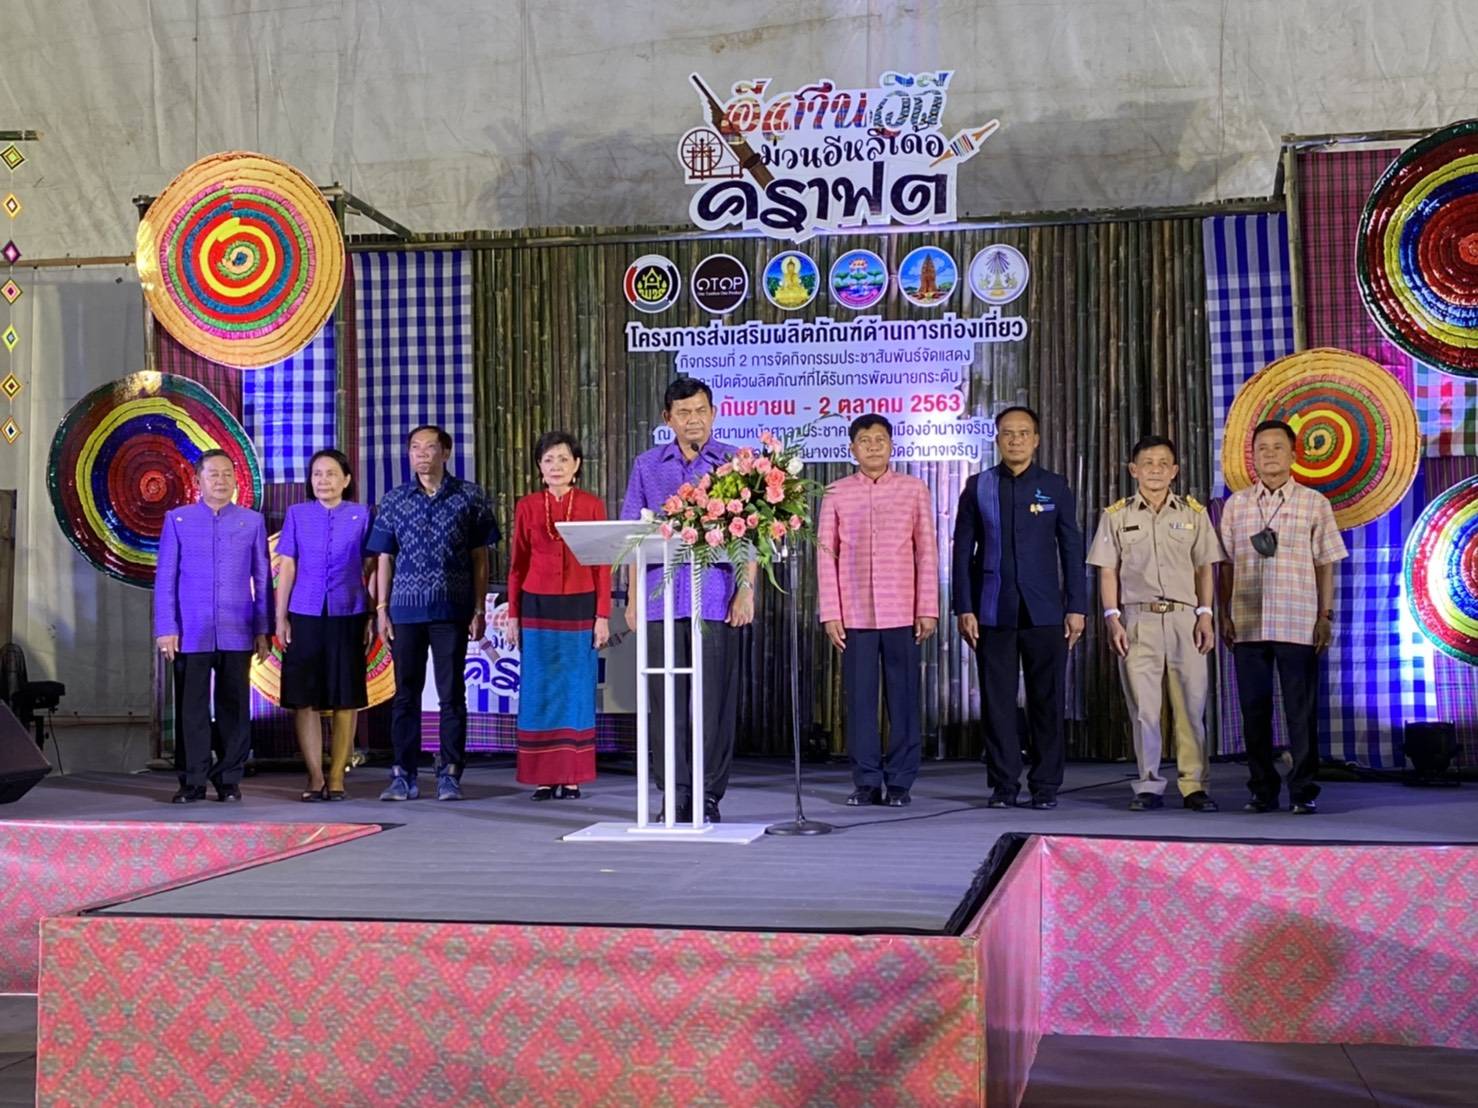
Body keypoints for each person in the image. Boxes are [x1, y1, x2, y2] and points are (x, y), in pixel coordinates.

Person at [620, 376, 757, 824]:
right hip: (662, 601)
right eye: (684, 413)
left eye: (700, 411)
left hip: (716, 598)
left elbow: (754, 534)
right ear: (668, 418)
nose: (693, 419)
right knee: (666, 701)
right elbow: (629, 538)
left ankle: (708, 793)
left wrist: (747, 589)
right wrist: (633, 600)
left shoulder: (736, 463)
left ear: (713, 414)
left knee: (712, 699)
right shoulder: (647, 465)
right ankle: (673, 793)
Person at [952, 405, 1086, 810]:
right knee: (997, 704)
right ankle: (1004, 786)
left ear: (1036, 439)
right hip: (993, 612)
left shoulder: (1055, 486)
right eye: (1007, 433)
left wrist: (1076, 606)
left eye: (1023, 433)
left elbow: (1071, 548)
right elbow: (961, 554)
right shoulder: (979, 487)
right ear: (997, 438)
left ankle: (1045, 787)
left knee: (1047, 702)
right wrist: (965, 607)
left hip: (1046, 613)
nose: (1015, 439)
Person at [1086, 435, 1223, 812]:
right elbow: (1108, 571)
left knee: (1191, 705)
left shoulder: (1193, 514)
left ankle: (1194, 785)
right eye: (1148, 463)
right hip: (1138, 619)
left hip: (1184, 619)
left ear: (1175, 471)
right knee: (1144, 708)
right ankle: (1148, 784)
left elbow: (1204, 568)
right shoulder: (1116, 516)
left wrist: (1206, 614)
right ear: (1134, 470)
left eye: (1164, 463)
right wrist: (1113, 618)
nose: (1156, 470)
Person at [1218, 418, 1347, 815]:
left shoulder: (1313, 502)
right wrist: (1224, 612)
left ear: (1294, 454)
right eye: (1262, 448)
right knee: (1254, 710)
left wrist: (1324, 614)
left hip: (1297, 619)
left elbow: (1326, 563)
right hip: (1247, 621)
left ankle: (1303, 790)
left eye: (1277, 447)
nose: (1269, 454)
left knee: (1300, 710)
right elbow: (1224, 564)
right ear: (1252, 456)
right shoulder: (1236, 504)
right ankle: (1262, 789)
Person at [367, 425, 499, 802]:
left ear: (446, 452)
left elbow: (480, 557)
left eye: (429, 447)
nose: (421, 454)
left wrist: (478, 608)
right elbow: (384, 557)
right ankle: (402, 774)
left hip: (451, 608)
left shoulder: (470, 497)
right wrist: (382, 608)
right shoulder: (394, 500)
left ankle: (450, 773)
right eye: (414, 448)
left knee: (451, 694)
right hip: (405, 611)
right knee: (405, 695)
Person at [817, 414, 938, 808]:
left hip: (903, 610)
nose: (873, 446)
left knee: (903, 701)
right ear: (852, 449)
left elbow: (927, 551)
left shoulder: (914, 490)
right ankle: (866, 781)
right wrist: (831, 613)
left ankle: (901, 783)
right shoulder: (836, 492)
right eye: (865, 440)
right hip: (854, 614)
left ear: (891, 446)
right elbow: (825, 555)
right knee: (861, 702)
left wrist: (928, 608)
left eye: (880, 439)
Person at [154, 449, 271, 803]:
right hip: (191, 630)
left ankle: (229, 779)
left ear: (236, 480)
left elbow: (262, 579)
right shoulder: (179, 520)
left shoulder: (251, 521)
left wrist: (262, 629)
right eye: (213, 474)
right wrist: (166, 627)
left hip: (238, 627)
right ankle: (192, 780)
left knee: (234, 707)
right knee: (191, 708)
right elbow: (165, 579)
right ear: (198, 480)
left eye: (226, 474)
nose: (221, 481)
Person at [506, 431, 612, 800]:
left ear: (577, 465)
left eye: (563, 459)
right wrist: (513, 615)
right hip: (536, 604)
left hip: (581, 604)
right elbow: (517, 565)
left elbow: (602, 566)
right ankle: (543, 775)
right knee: (539, 688)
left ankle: (571, 775)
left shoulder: (592, 505)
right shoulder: (527, 506)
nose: (556, 466)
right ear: (539, 466)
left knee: (577, 687)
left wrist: (602, 614)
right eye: (548, 459)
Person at [274, 449, 374, 802]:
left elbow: (372, 567)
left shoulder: (362, 515)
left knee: (346, 698)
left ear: (346, 480)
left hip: (349, 614)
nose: (323, 480)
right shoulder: (297, 515)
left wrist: (372, 614)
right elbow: (287, 566)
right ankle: (315, 775)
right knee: (304, 699)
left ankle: (337, 777)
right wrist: (280, 616)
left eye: (331, 474)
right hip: (304, 613)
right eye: (317, 474)